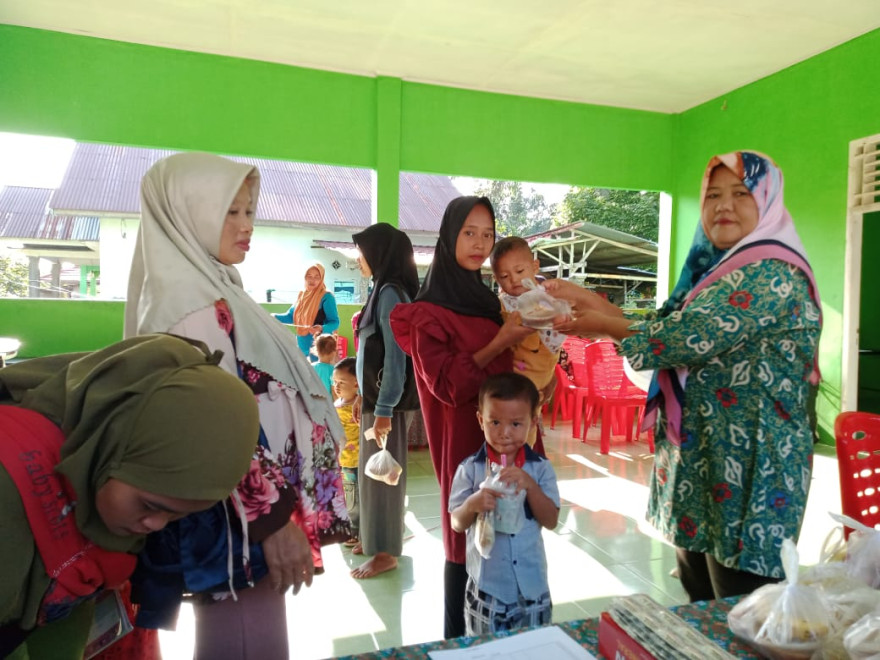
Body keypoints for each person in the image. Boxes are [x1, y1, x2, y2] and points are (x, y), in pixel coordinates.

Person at [546, 150, 822, 601]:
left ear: (768, 201)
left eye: (741, 193)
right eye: (713, 195)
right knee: (700, 594)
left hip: (752, 467)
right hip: (704, 457)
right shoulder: (714, 271)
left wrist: (602, 323)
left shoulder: (773, 273)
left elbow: (688, 336)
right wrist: (593, 305)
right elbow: (670, 323)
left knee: (741, 604)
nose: (723, 205)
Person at [125, 152, 350, 658]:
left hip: (245, 512)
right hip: (239, 518)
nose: (247, 225)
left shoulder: (215, 287)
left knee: (247, 631)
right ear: (189, 212)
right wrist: (272, 522)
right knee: (250, 639)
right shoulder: (190, 306)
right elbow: (216, 425)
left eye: (249, 211)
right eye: (231, 211)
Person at [0, 334, 258, 659]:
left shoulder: (92, 485)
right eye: (150, 505)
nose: (156, 524)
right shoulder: (8, 491)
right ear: (113, 442)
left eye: (178, 514)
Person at [390, 197, 535, 638]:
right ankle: (460, 643)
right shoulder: (427, 313)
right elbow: (448, 385)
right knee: (467, 544)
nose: (479, 243)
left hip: (509, 438)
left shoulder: (490, 303)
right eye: (469, 232)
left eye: (487, 235)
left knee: (510, 545)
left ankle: (503, 641)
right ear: (449, 236)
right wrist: (500, 342)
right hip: (464, 445)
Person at [449, 372, 560, 636]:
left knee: (533, 647)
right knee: (486, 650)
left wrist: (530, 486)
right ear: (481, 420)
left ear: (532, 422)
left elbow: (551, 520)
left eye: (516, 424)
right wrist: (472, 504)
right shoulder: (470, 469)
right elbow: (456, 523)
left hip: (533, 589)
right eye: (495, 422)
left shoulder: (540, 469)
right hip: (488, 589)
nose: (504, 433)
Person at [350, 223, 421, 579]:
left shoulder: (391, 293)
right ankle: (372, 537)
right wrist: (363, 398)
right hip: (376, 402)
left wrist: (383, 410)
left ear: (378, 253)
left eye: (361, 253)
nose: (358, 259)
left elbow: (396, 358)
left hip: (386, 405)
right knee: (372, 472)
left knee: (385, 479)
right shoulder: (380, 289)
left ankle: (385, 552)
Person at [490, 236, 566, 453]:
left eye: (520, 271)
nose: (514, 280)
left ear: (535, 266)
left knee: (528, 428)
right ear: (496, 279)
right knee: (516, 429)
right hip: (519, 376)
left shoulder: (549, 297)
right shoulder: (501, 306)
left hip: (544, 375)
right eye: (505, 276)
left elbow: (563, 330)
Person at [273, 263, 340, 361]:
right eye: (309, 276)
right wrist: (272, 317)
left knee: (317, 370)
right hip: (302, 347)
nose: (312, 280)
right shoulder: (302, 295)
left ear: (321, 278)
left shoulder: (326, 297)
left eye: (317, 277)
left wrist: (321, 328)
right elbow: (291, 317)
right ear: (305, 277)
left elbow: (335, 322)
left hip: (320, 349)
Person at [333, 357, 361, 548]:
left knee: (354, 499)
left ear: (357, 383)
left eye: (341, 382)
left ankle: (355, 531)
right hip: (343, 461)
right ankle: (350, 527)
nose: (336, 386)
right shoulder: (338, 404)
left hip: (356, 461)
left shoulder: (358, 407)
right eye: (334, 382)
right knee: (346, 497)